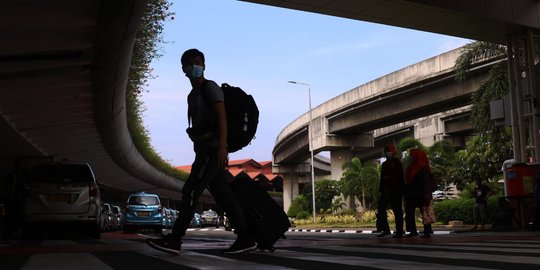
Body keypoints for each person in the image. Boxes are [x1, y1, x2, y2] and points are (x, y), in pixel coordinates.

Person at [147, 48, 256, 255]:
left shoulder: (210, 88)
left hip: (212, 151)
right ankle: (245, 236)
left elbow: (221, 117)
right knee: (224, 196)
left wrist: (222, 146)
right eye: (189, 63)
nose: (194, 66)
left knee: (190, 191)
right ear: (183, 69)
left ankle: (175, 239)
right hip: (204, 151)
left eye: (197, 62)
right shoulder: (192, 95)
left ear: (204, 65)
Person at [404, 148, 436, 238]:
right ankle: (413, 230)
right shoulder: (412, 166)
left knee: (424, 211)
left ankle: (427, 230)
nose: (410, 156)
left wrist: (427, 193)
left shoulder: (422, 167)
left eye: (411, 155)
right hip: (412, 194)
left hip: (421, 194)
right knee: (410, 211)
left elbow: (426, 181)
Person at [376, 144, 405, 238]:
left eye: (388, 151)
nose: (386, 153)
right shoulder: (384, 164)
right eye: (385, 151)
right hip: (385, 190)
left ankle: (399, 231)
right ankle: (385, 229)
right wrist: (381, 190)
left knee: (397, 211)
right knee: (381, 209)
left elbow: (400, 178)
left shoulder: (396, 162)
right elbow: (382, 179)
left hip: (395, 191)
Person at [2, 159, 29, 241]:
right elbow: (10, 188)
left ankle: (9, 235)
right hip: (15, 200)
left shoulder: (17, 175)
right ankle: (9, 235)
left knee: (14, 218)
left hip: (17, 200)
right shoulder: (16, 175)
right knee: (14, 218)